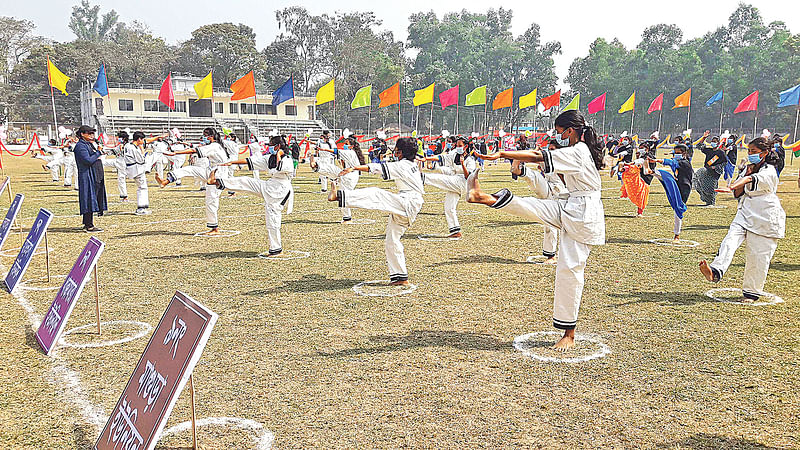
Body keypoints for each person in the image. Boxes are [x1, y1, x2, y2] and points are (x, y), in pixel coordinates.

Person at [468, 110, 605, 351]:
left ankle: (569, 334)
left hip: (584, 215)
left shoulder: (578, 152)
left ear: (570, 131)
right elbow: (539, 159)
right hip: (572, 205)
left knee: (570, 270)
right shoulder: (577, 150)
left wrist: (502, 152)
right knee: (535, 207)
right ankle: (483, 197)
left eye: (560, 131)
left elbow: (537, 155)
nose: (558, 136)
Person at [327, 138, 424, 285]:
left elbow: (376, 168)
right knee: (392, 241)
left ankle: (339, 195)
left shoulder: (403, 165)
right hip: (408, 202)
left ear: (401, 152)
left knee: (375, 194)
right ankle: (400, 277)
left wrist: (354, 168)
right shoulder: (412, 164)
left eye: (397, 149)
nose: (394, 151)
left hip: (408, 202)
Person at [699, 137, 785, 302]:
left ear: (764, 153)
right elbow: (739, 193)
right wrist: (741, 177)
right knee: (729, 241)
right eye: (749, 151)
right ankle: (715, 271)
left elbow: (751, 181)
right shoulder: (748, 168)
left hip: (765, 216)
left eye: (754, 152)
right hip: (745, 211)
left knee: (758, 256)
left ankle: (751, 293)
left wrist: (736, 183)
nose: (750, 154)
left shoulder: (770, 171)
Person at [208, 135, 295, 256]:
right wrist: (232, 162)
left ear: (278, 147)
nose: (269, 149)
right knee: (245, 181)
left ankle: (276, 248)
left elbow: (280, 168)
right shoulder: (269, 158)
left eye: (271, 146)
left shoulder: (287, 159)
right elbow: (251, 161)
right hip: (270, 186)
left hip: (280, 190)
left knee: (272, 219)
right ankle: (218, 181)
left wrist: (279, 155)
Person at [155, 127, 231, 235]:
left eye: (205, 135)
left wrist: (176, 153)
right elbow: (194, 147)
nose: (204, 137)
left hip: (218, 174)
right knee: (190, 169)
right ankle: (166, 181)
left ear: (211, 136)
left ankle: (214, 228)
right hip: (212, 170)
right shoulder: (213, 145)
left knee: (211, 200)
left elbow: (195, 150)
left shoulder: (214, 146)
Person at [510, 138, 568, 264]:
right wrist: (523, 156)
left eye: (553, 149)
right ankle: (521, 170)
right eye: (549, 149)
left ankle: (552, 256)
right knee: (534, 177)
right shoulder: (546, 158)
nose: (550, 151)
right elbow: (536, 158)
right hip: (548, 187)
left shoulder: (564, 160)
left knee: (550, 224)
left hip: (560, 192)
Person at [420, 136, 477, 237]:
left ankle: (421, 178)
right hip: (455, 182)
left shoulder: (470, 160)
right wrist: (426, 158)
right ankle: (455, 231)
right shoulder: (454, 155)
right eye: (457, 145)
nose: (457, 147)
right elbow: (441, 158)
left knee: (441, 179)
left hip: (463, 183)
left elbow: (468, 176)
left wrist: (463, 164)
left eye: (460, 146)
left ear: (466, 146)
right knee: (449, 207)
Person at [310, 135, 366, 223]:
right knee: (332, 169)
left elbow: (336, 151)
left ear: (351, 145)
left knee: (344, 195)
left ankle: (347, 218)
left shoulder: (350, 152)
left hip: (350, 176)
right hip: (348, 175)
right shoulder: (352, 153)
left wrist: (324, 150)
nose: (344, 145)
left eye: (346, 144)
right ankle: (319, 168)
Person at [650, 144, 693, 242]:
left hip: (684, 188)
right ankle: (652, 172)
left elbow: (671, 162)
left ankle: (677, 235)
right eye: (675, 152)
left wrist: (657, 160)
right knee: (666, 176)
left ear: (684, 153)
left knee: (678, 209)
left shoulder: (684, 163)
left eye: (678, 153)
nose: (676, 154)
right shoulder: (678, 161)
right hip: (677, 183)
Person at [73, 125, 106, 232]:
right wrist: (98, 152)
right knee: (88, 198)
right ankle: (89, 225)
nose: (92, 136)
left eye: (93, 133)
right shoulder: (80, 146)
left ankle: (87, 222)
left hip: (94, 174)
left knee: (93, 197)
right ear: (82, 134)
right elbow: (88, 160)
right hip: (87, 175)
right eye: (89, 133)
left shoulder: (89, 144)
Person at [124, 131, 163, 215]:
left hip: (131, 168)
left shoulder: (128, 145)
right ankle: (141, 208)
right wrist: (143, 152)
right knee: (142, 188)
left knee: (142, 187)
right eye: (142, 139)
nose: (143, 141)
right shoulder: (134, 149)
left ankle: (142, 207)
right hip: (137, 169)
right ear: (139, 139)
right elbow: (141, 160)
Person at [693, 130, 726, 205]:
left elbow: (724, 162)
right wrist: (704, 137)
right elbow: (699, 146)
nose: (713, 143)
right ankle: (706, 200)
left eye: (715, 141)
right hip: (706, 171)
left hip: (714, 173)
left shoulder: (720, 152)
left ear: (718, 143)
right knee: (700, 183)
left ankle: (711, 202)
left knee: (711, 189)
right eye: (712, 141)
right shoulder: (709, 150)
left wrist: (716, 167)